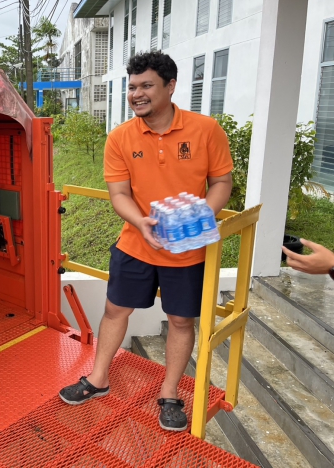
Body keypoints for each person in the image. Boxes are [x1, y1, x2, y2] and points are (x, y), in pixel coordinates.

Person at [58, 51, 233, 432]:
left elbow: (222, 182)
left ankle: (169, 394)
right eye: (132, 86)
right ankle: (98, 378)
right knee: (115, 310)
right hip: (135, 244)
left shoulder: (206, 130)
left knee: (181, 320)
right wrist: (141, 222)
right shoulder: (121, 137)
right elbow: (119, 193)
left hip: (186, 248)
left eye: (146, 85)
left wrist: (198, 217)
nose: (136, 94)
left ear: (170, 86)